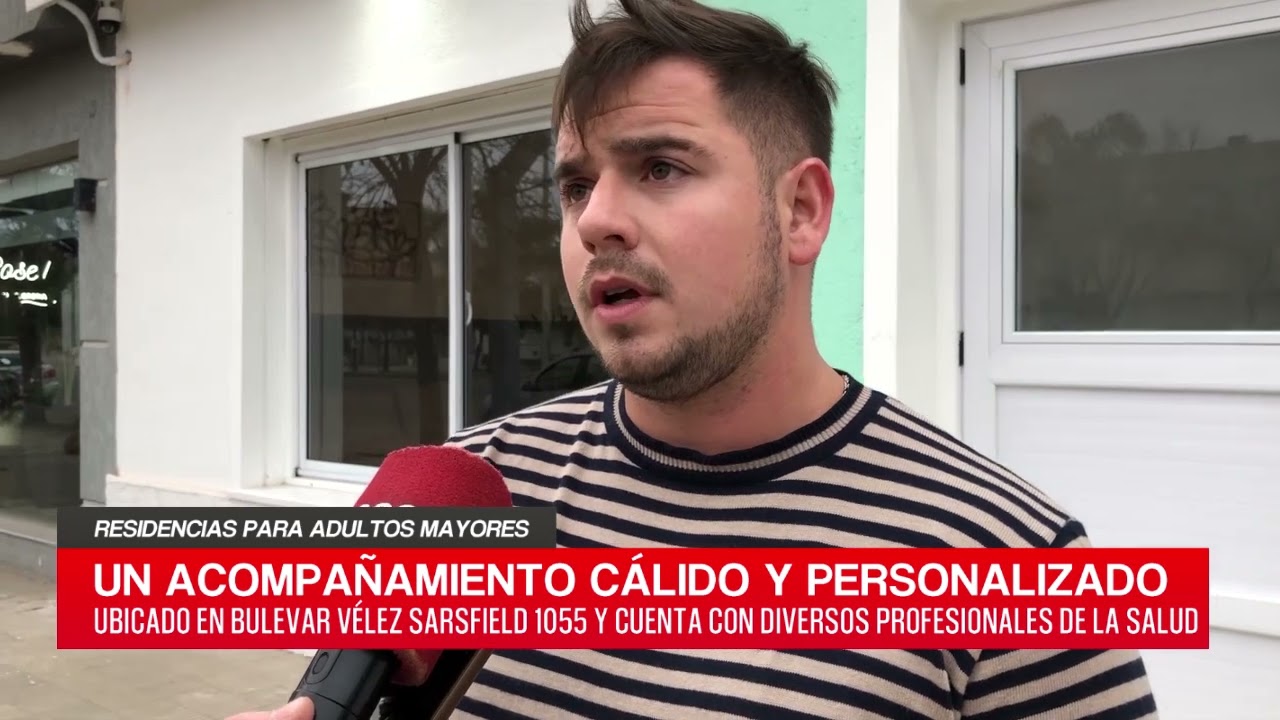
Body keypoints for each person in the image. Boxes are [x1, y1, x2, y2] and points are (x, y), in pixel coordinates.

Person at [231, 0, 1160, 718]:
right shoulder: (472, 490)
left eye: (661, 168)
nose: (595, 220)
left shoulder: (1016, 565)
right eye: (575, 185)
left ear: (801, 212)